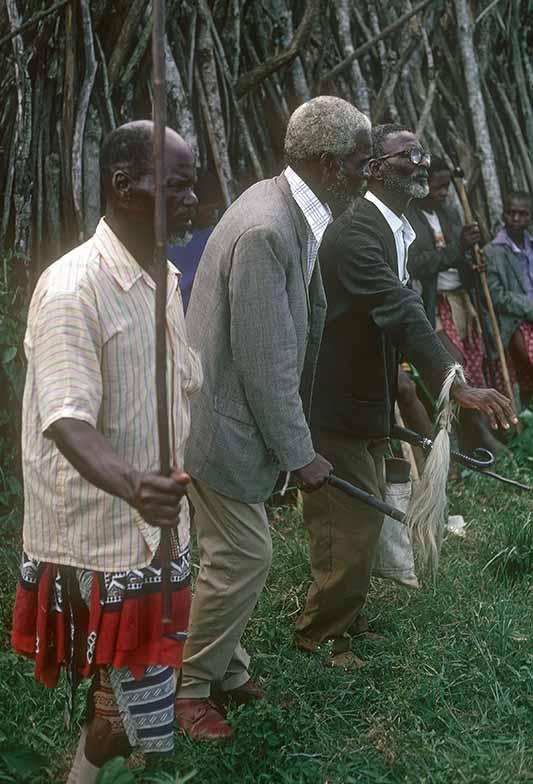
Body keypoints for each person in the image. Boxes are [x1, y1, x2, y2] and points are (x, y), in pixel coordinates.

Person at [174, 96, 372, 741]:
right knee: (241, 558)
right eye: (360, 163)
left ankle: (228, 672)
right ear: (328, 164)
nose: (368, 175)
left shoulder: (284, 207)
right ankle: (188, 688)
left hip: (226, 418)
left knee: (231, 553)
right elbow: (265, 361)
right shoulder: (267, 228)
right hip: (223, 425)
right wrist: (299, 454)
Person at [10, 121, 202, 782]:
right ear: (124, 187)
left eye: (191, 186)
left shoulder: (162, 277)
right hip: (104, 536)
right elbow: (67, 421)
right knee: (119, 705)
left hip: (152, 524)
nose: (190, 201)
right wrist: (133, 485)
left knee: (124, 692)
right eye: (174, 186)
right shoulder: (73, 290)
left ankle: (108, 757)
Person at [294, 123, 517, 670]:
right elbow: (398, 308)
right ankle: (321, 637)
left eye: (423, 152)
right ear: (373, 168)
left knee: (369, 507)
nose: (420, 163)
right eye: (405, 155)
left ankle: (346, 613)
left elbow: (402, 314)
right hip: (335, 402)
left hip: (368, 397)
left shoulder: (399, 229)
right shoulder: (355, 235)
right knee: (348, 520)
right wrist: (454, 382)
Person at [406, 156, 505, 453]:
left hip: (461, 302)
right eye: (438, 187)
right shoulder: (409, 218)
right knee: (453, 369)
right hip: (432, 305)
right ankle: (470, 437)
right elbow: (418, 265)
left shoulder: (449, 213)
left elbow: (458, 259)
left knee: (473, 367)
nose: (444, 193)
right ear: (422, 185)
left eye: (447, 186)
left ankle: (481, 434)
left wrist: (472, 261)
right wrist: (457, 248)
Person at [485, 191, 533, 401]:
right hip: (516, 319)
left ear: (529, 216)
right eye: (511, 213)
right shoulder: (492, 252)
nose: (516, 218)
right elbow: (497, 296)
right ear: (503, 215)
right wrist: (529, 307)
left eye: (522, 214)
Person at [167, 172, 224, 312]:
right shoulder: (170, 240)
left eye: (216, 209)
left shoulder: (216, 237)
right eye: (209, 210)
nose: (214, 215)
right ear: (194, 205)